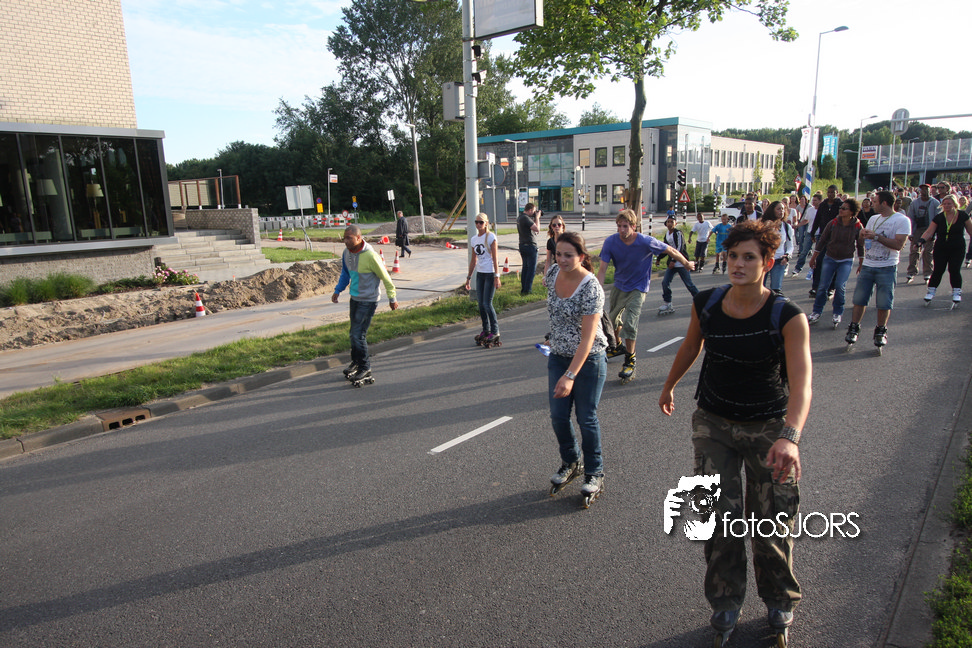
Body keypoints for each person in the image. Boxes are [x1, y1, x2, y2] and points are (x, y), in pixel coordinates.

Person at [658, 219, 811, 641]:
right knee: (718, 518)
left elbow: (802, 384)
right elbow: (692, 345)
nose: (738, 264)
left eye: (749, 257)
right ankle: (725, 600)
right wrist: (669, 385)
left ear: (768, 263)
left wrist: (790, 437)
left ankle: (779, 599)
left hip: (769, 428)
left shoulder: (788, 316)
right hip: (714, 423)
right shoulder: (707, 303)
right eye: (732, 256)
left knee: (771, 520)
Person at [546, 230, 608, 502]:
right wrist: (553, 336)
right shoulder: (552, 275)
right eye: (558, 254)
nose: (562, 260)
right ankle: (572, 461)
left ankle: (595, 472)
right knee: (558, 417)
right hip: (557, 355)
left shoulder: (591, 287)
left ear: (581, 257)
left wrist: (570, 375)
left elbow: (587, 338)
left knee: (586, 418)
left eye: (568, 255)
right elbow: (556, 314)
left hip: (589, 359)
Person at [597, 209, 692, 381]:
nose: (621, 230)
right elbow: (602, 269)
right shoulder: (611, 242)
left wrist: (685, 263)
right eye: (619, 226)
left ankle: (630, 360)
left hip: (638, 287)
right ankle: (618, 346)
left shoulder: (645, 241)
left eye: (625, 226)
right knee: (611, 321)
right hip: (619, 286)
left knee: (630, 323)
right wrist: (597, 291)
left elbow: (670, 250)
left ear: (634, 226)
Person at [332, 225, 399, 383]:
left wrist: (392, 298)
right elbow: (345, 273)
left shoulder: (370, 256)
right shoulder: (346, 253)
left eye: (349, 238)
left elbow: (386, 277)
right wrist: (338, 290)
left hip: (368, 300)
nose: (346, 241)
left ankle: (365, 367)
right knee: (353, 334)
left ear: (358, 238)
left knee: (358, 334)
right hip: (355, 298)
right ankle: (356, 362)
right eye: (344, 238)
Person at [844, 190, 911, 349]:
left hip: (887, 266)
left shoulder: (902, 220)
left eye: (875, 202)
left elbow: (899, 245)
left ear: (884, 203)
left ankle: (881, 330)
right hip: (869, 265)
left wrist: (876, 237)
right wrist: (862, 235)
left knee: (884, 302)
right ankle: (854, 328)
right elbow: (862, 243)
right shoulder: (873, 219)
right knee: (859, 299)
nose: (872, 204)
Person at [806, 199, 864, 327]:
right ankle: (816, 312)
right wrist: (814, 257)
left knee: (840, 286)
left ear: (852, 212)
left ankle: (837, 312)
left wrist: (861, 263)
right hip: (830, 258)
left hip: (846, 260)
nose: (840, 210)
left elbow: (860, 245)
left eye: (844, 208)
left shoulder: (857, 226)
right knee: (823, 286)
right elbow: (822, 241)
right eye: (840, 208)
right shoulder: (833, 223)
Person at [920, 194, 972, 306]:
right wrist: (921, 241)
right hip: (941, 247)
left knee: (954, 269)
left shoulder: (963, 215)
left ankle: (956, 292)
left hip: (957, 247)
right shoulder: (939, 217)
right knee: (938, 270)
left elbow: (971, 230)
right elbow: (929, 231)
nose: (947, 206)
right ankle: (931, 291)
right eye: (945, 204)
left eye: (949, 204)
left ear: (955, 204)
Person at [464, 213, 502, 347]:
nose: (478, 225)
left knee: (487, 304)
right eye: (476, 222)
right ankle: (486, 330)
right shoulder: (474, 239)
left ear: (486, 223)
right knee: (480, 304)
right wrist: (468, 278)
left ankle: (495, 331)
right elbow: (473, 260)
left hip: (490, 273)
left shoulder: (491, 237)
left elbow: (495, 258)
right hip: (480, 274)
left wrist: (497, 276)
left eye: (481, 222)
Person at [656, 215, 699, 315]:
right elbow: (666, 249)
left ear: (675, 223)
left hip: (682, 263)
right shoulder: (667, 234)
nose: (670, 223)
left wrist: (673, 260)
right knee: (665, 282)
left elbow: (679, 248)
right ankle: (668, 303)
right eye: (668, 221)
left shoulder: (678, 233)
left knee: (689, 284)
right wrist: (658, 258)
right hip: (672, 265)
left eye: (672, 222)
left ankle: (700, 301)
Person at [808, 185, 842, 298]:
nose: (830, 194)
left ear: (837, 192)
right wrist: (813, 232)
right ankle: (815, 286)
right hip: (823, 236)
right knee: (818, 261)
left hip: (836, 237)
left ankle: (831, 288)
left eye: (833, 192)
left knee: (833, 262)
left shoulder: (841, 205)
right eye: (829, 192)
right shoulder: (823, 204)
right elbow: (818, 219)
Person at [905, 184, 939, 283]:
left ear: (930, 191)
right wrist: (911, 233)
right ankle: (911, 272)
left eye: (926, 189)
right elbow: (910, 218)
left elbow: (938, 218)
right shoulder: (915, 203)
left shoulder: (935, 203)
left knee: (928, 252)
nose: (924, 191)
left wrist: (934, 233)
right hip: (918, 229)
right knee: (914, 250)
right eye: (922, 189)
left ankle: (928, 273)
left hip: (930, 229)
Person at [761, 201, 794, 294]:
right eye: (778, 209)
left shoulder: (787, 227)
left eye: (783, 209)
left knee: (776, 290)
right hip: (765, 260)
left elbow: (790, 245)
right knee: (760, 288)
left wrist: (787, 255)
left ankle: (774, 302)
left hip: (779, 260)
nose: (781, 211)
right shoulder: (765, 225)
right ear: (772, 210)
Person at [517, 203, 541, 295]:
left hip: (523, 245)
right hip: (530, 246)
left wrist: (534, 218)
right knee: (531, 269)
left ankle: (524, 289)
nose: (534, 213)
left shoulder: (520, 218)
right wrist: (537, 218)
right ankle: (528, 290)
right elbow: (537, 229)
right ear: (530, 210)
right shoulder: (526, 218)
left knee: (525, 268)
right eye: (534, 211)